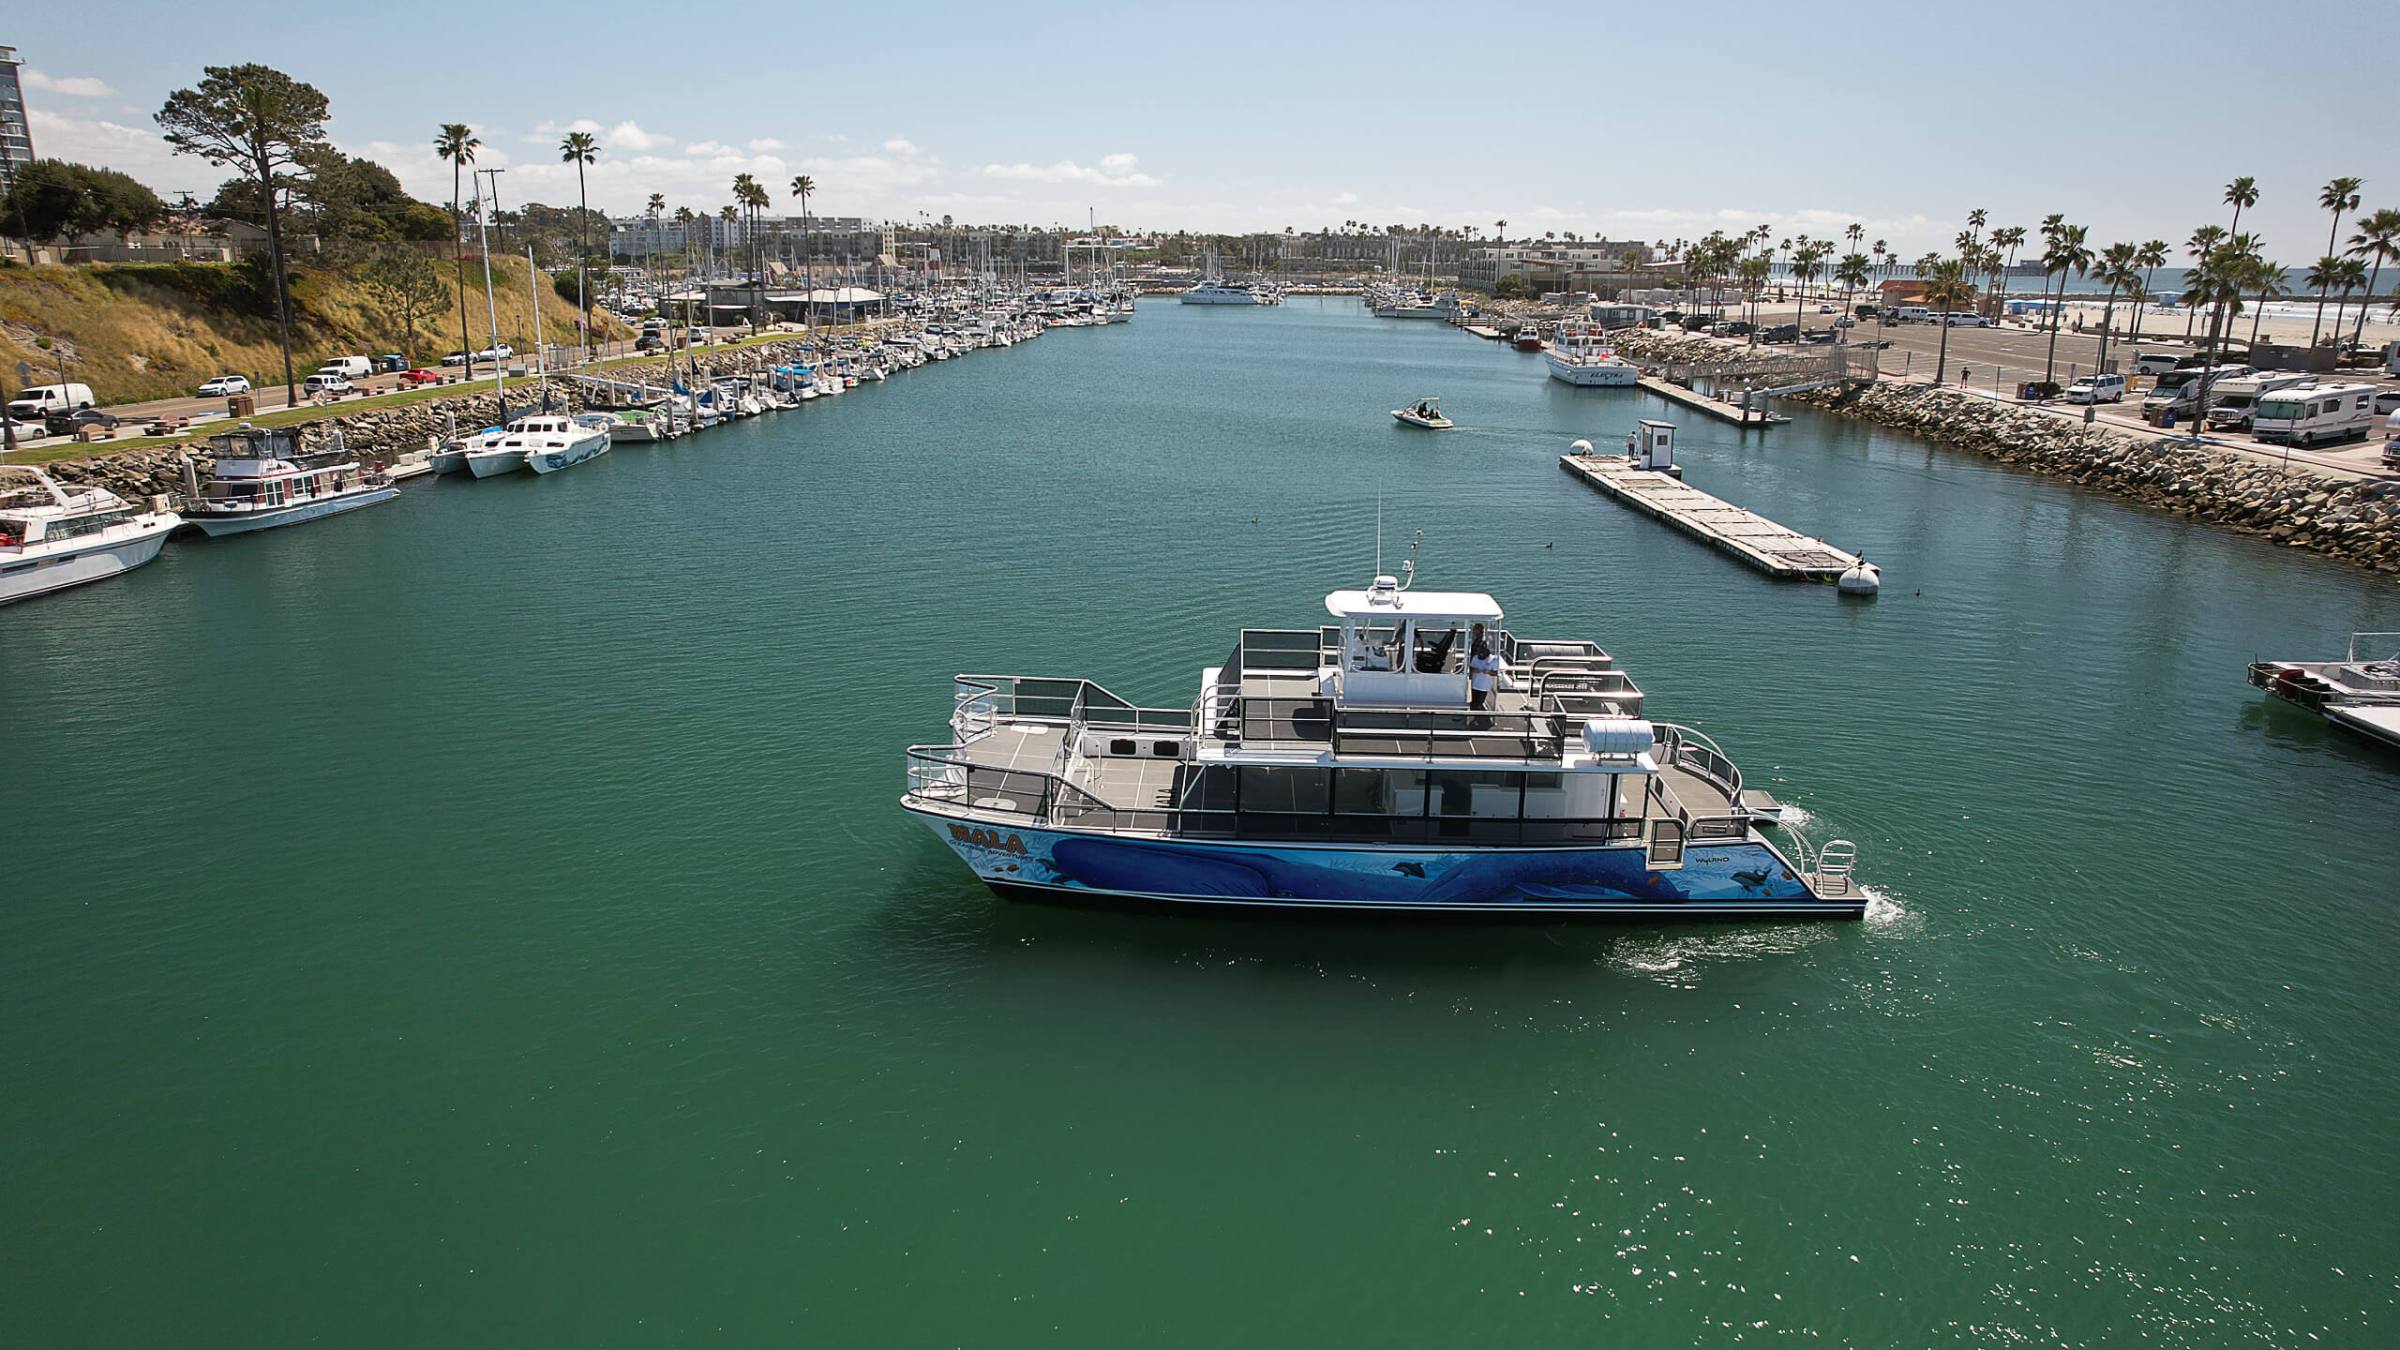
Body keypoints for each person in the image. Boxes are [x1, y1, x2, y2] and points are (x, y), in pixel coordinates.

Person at [1467, 624, 1501, 728]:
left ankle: (1480, 719)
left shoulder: (1493, 659)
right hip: (1476, 683)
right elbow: (1472, 666)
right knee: (1474, 702)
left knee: (1479, 702)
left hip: (1484, 685)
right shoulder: (1476, 658)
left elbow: (1495, 672)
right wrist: (1473, 671)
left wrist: (1488, 672)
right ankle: (1476, 717)